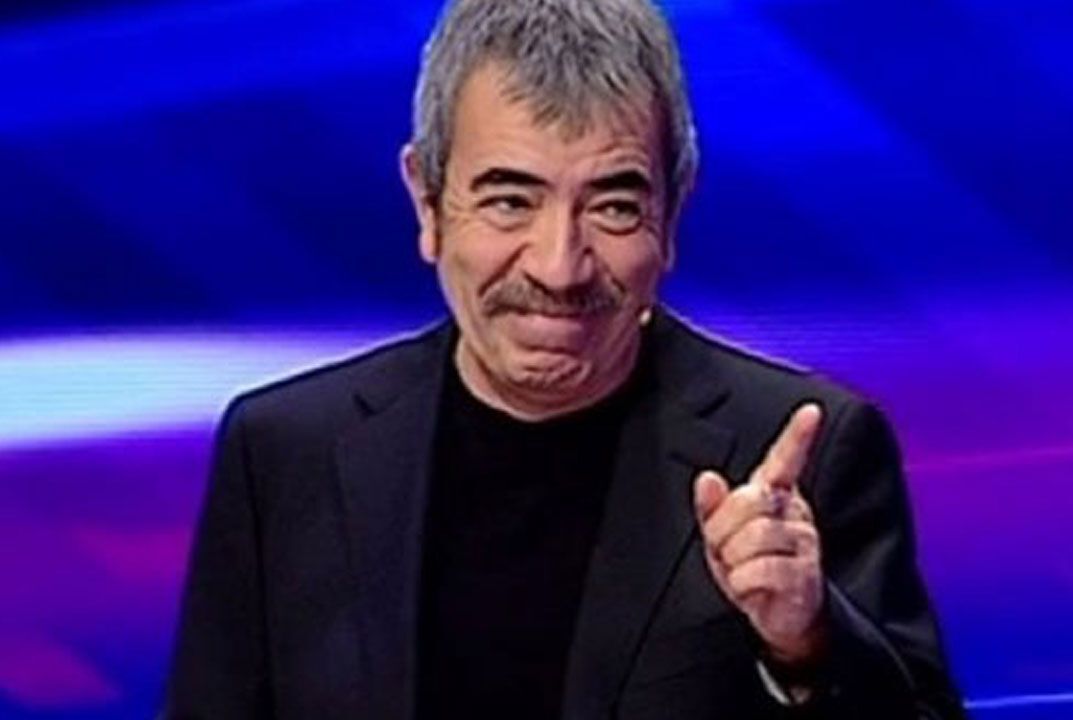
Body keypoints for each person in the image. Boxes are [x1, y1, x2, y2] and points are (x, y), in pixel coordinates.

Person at [164, 0, 966, 717]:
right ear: (428, 202)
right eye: (510, 200)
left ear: (671, 213)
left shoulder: (803, 453)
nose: (559, 267)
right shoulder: (283, 455)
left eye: (613, 206)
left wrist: (806, 645)